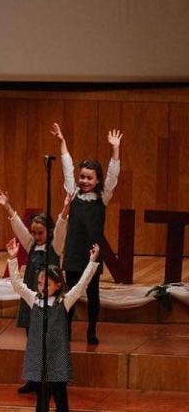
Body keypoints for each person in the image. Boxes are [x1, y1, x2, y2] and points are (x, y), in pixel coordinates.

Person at [6, 239, 100, 412]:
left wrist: (92, 262)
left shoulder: (63, 302)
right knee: (41, 401)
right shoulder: (34, 300)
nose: (41, 288)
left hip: (56, 357)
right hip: (39, 357)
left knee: (60, 399)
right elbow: (17, 285)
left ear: (58, 285)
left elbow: (81, 285)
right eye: (39, 284)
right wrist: (12, 258)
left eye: (46, 284)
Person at [0, 188, 70, 393]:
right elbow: (19, 228)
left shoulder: (55, 246)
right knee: (33, 342)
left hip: (51, 306)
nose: (35, 236)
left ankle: (52, 380)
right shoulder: (31, 245)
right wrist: (8, 207)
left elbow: (62, 227)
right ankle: (35, 379)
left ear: (49, 232)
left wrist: (65, 210)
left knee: (51, 342)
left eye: (40, 233)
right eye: (34, 232)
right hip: (34, 303)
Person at [54, 123, 122, 345]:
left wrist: (115, 150)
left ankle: (91, 330)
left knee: (93, 295)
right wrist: (62, 142)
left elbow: (113, 174)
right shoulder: (73, 194)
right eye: (82, 177)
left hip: (92, 253)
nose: (83, 181)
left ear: (97, 181)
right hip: (73, 252)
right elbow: (67, 168)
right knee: (71, 295)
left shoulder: (103, 197)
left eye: (88, 178)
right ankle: (66, 330)